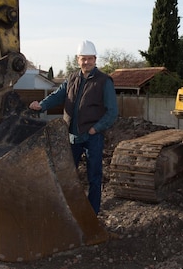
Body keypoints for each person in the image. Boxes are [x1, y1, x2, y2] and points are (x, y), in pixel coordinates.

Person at [29, 40, 118, 214]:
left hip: (93, 136)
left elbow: (112, 112)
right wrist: (41, 106)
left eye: (89, 59)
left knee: (94, 176)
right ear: (78, 60)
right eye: (83, 59)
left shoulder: (104, 81)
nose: (86, 62)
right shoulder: (72, 78)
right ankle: (67, 211)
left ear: (95, 59)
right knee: (67, 175)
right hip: (72, 136)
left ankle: (93, 213)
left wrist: (96, 128)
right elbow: (57, 96)